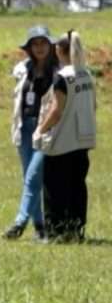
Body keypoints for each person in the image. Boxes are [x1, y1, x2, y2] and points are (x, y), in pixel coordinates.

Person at [34, 30, 96, 243]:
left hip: (62, 142)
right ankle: (76, 230)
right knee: (77, 186)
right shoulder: (86, 74)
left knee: (54, 188)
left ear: (59, 50)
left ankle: (55, 232)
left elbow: (56, 111)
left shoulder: (63, 77)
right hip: (83, 140)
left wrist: (40, 129)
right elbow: (93, 105)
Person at [4, 26, 57, 240]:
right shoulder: (22, 69)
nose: (39, 48)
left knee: (34, 176)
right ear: (29, 48)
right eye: (35, 44)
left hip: (46, 129)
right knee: (29, 178)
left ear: (50, 45)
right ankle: (40, 227)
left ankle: (20, 222)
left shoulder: (58, 71)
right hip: (24, 127)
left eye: (43, 43)